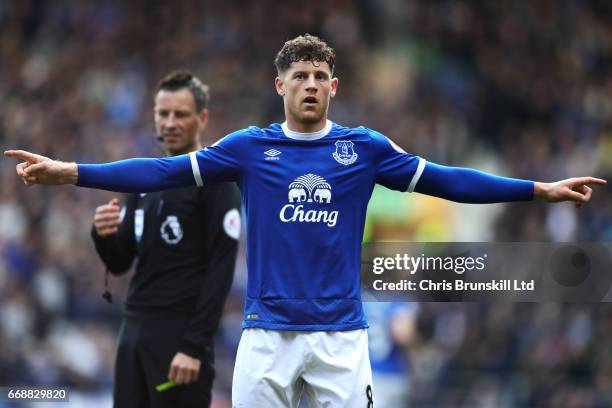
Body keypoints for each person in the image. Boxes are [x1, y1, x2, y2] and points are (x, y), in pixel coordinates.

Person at [5, 34, 606, 407]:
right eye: (301, 76)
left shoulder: (365, 148)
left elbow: (449, 180)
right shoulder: (249, 148)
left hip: (341, 339)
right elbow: (159, 173)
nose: (311, 85)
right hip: (266, 339)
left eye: (321, 76)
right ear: (281, 86)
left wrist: (537, 190)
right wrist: (73, 171)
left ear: (335, 86)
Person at [90, 71, 241, 407]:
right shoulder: (145, 180)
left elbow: (222, 270)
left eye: (181, 114)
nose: (170, 122)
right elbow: (120, 261)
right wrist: (102, 235)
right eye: (163, 113)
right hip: (133, 332)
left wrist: (194, 346)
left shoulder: (216, 182)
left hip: (179, 336)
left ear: (201, 118)